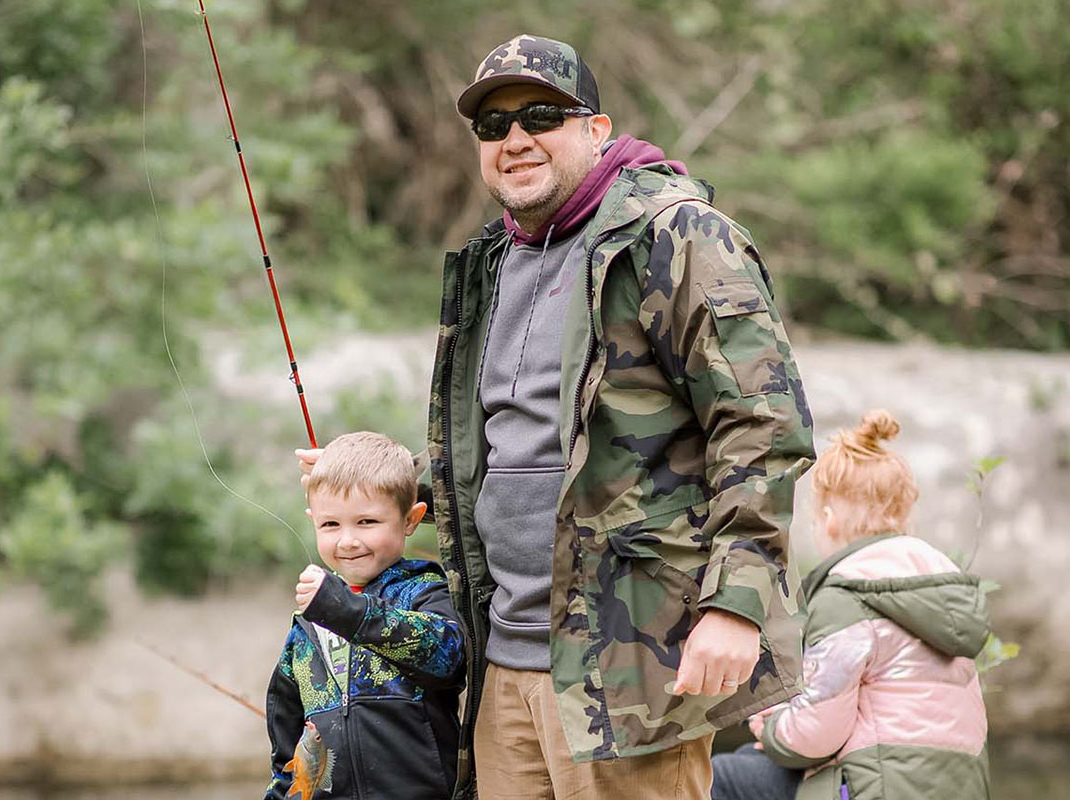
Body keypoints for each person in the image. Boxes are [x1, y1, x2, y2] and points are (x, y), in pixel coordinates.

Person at [299, 33, 814, 800]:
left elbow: (763, 428)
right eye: (493, 125)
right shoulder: (491, 261)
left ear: (595, 130)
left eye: (540, 114)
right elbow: (509, 454)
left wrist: (737, 605)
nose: (515, 139)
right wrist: (372, 490)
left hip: (631, 667)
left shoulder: (675, 235)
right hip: (502, 667)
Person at [711, 410, 992, 800]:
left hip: (877, 788)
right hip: (960, 787)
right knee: (753, 762)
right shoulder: (941, 586)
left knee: (721, 776)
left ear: (827, 519)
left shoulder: (846, 597)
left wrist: (771, 727)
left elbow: (816, 732)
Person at [266, 432, 465, 800]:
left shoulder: (423, 591)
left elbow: (448, 658)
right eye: (330, 525)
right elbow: (287, 748)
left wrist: (345, 611)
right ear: (313, 521)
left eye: (367, 522)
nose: (348, 541)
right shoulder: (308, 622)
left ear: (411, 519)